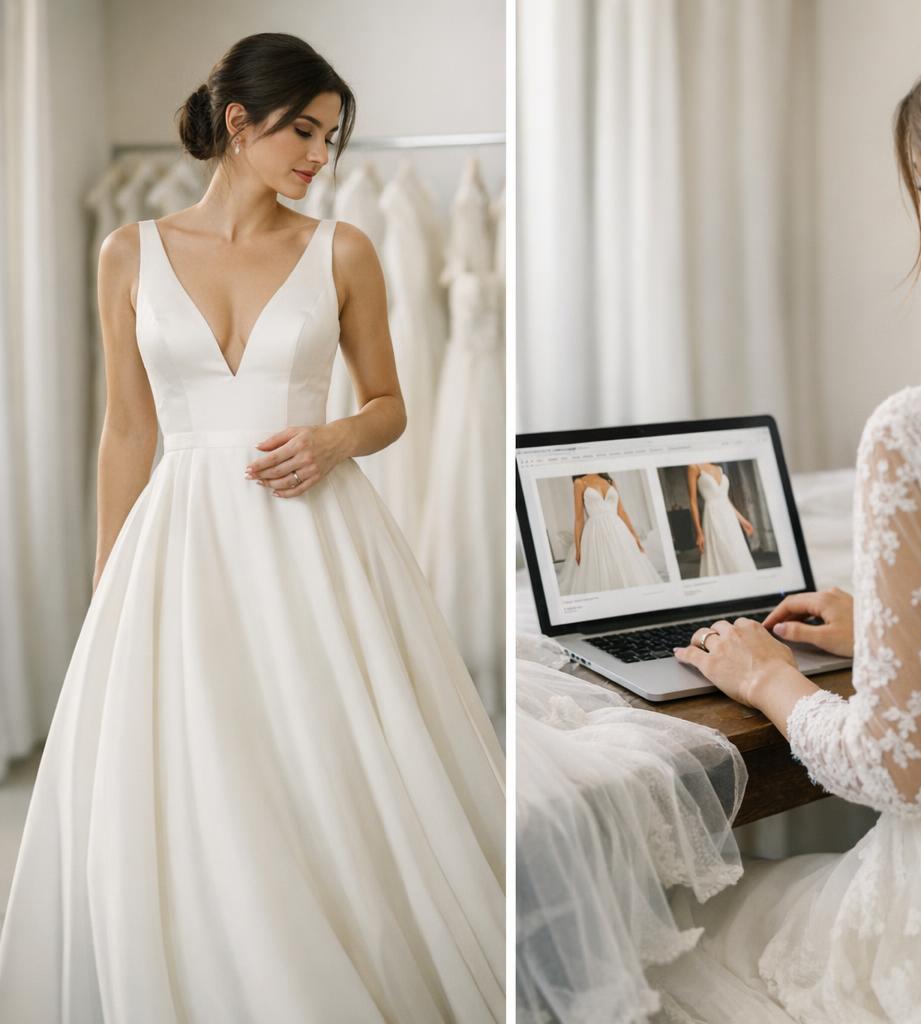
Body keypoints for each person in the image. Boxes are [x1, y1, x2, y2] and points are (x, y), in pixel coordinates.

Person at [0, 33, 506, 1022]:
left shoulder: (344, 248)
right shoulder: (128, 252)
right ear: (240, 122)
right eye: (306, 131)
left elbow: (392, 403)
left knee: (330, 769)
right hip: (179, 547)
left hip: (314, 539)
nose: (322, 156)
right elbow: (127, 431)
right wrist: (110, 590)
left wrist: (332, 440)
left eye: (332, 137)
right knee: (194, 774)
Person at [649, 5, 921, 1021]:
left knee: (670, 946)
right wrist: (904, 633)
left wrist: (767, 677)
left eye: (919, 189)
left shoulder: (919, 430)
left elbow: (901, 769)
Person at [688, 462, 756, 576]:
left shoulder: (719, 468)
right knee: (721, 554)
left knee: (737, 553)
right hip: (712, 517)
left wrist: (743, 521)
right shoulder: (694, 467)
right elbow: (693, 502)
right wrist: (699, 532)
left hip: (730, 519)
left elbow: (725, 499)